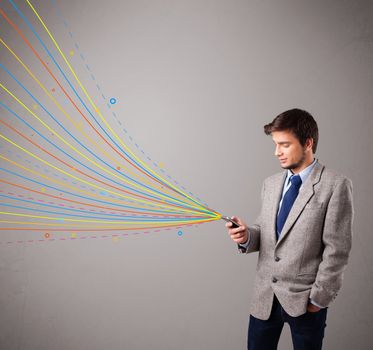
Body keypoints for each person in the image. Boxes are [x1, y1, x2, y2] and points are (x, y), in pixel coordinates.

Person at [225, 108, 353, 350]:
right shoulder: (271, 184)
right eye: (275, 145)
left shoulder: (336, 185)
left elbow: (337, 250)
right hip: (264, 298)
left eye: (284, 145)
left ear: (308, 143)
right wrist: (246, 236)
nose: (277, 152)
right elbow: (267, 232)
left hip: (305, 301)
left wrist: (318, 299)